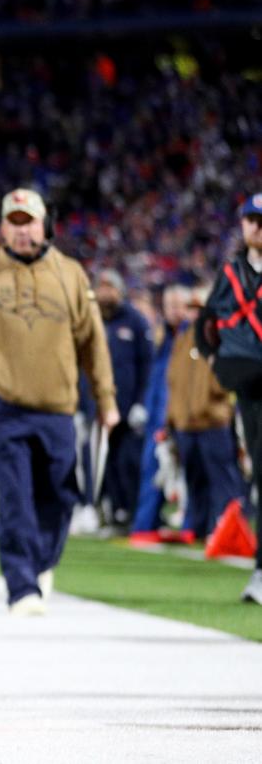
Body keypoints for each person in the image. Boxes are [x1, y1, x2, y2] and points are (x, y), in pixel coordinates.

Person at [0, 188, 117, 616]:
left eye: (28, 221)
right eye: (13, 222)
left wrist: (106, 399)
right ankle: (21, 588)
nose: (21, 231)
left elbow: (94, 343)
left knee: (61, 494)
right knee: (14, 497)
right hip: (1, 405)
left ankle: (41, 564)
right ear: (2, 227)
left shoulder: (71, 274)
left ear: (44, 224)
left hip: (57, 406)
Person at [195, 194, 262, 603]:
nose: (258, 227)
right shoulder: (231, 272)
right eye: (252, 219)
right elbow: (206, 325)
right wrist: (219, 362)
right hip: (252, 389)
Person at [167, 285, 249, 539]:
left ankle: (227, 531)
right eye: (191, 309)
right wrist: (172, 417)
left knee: (222, 481)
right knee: (195, 481)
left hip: (213, 421)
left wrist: (212, 399)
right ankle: (199, 529)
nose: (194, 314)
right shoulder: (183, 339)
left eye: (199, 309)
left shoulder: (220, 336)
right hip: (186, 424)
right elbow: (174, 381)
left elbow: (228, 376)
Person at [90, 270, 154, 527]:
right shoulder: (92, 318)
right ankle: (111, 510)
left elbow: (147, 365)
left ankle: (130, 510)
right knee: (103, 464)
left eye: (110, 288)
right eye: (101, 288)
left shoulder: (135, 320)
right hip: (98, 406)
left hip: (127, 408)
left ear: (120, 291)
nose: (105, 293)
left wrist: (141, 402)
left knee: (128, 461)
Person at [131, 285, 192, 544]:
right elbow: (154, 379)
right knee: (152, 472)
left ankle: (192, 527)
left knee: (189, 476)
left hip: (187, 417)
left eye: (179, 306)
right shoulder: (160, 337)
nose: (175, 312)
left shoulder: (195, 336)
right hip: (158, 417)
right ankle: (144, 526)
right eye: (170, 306)